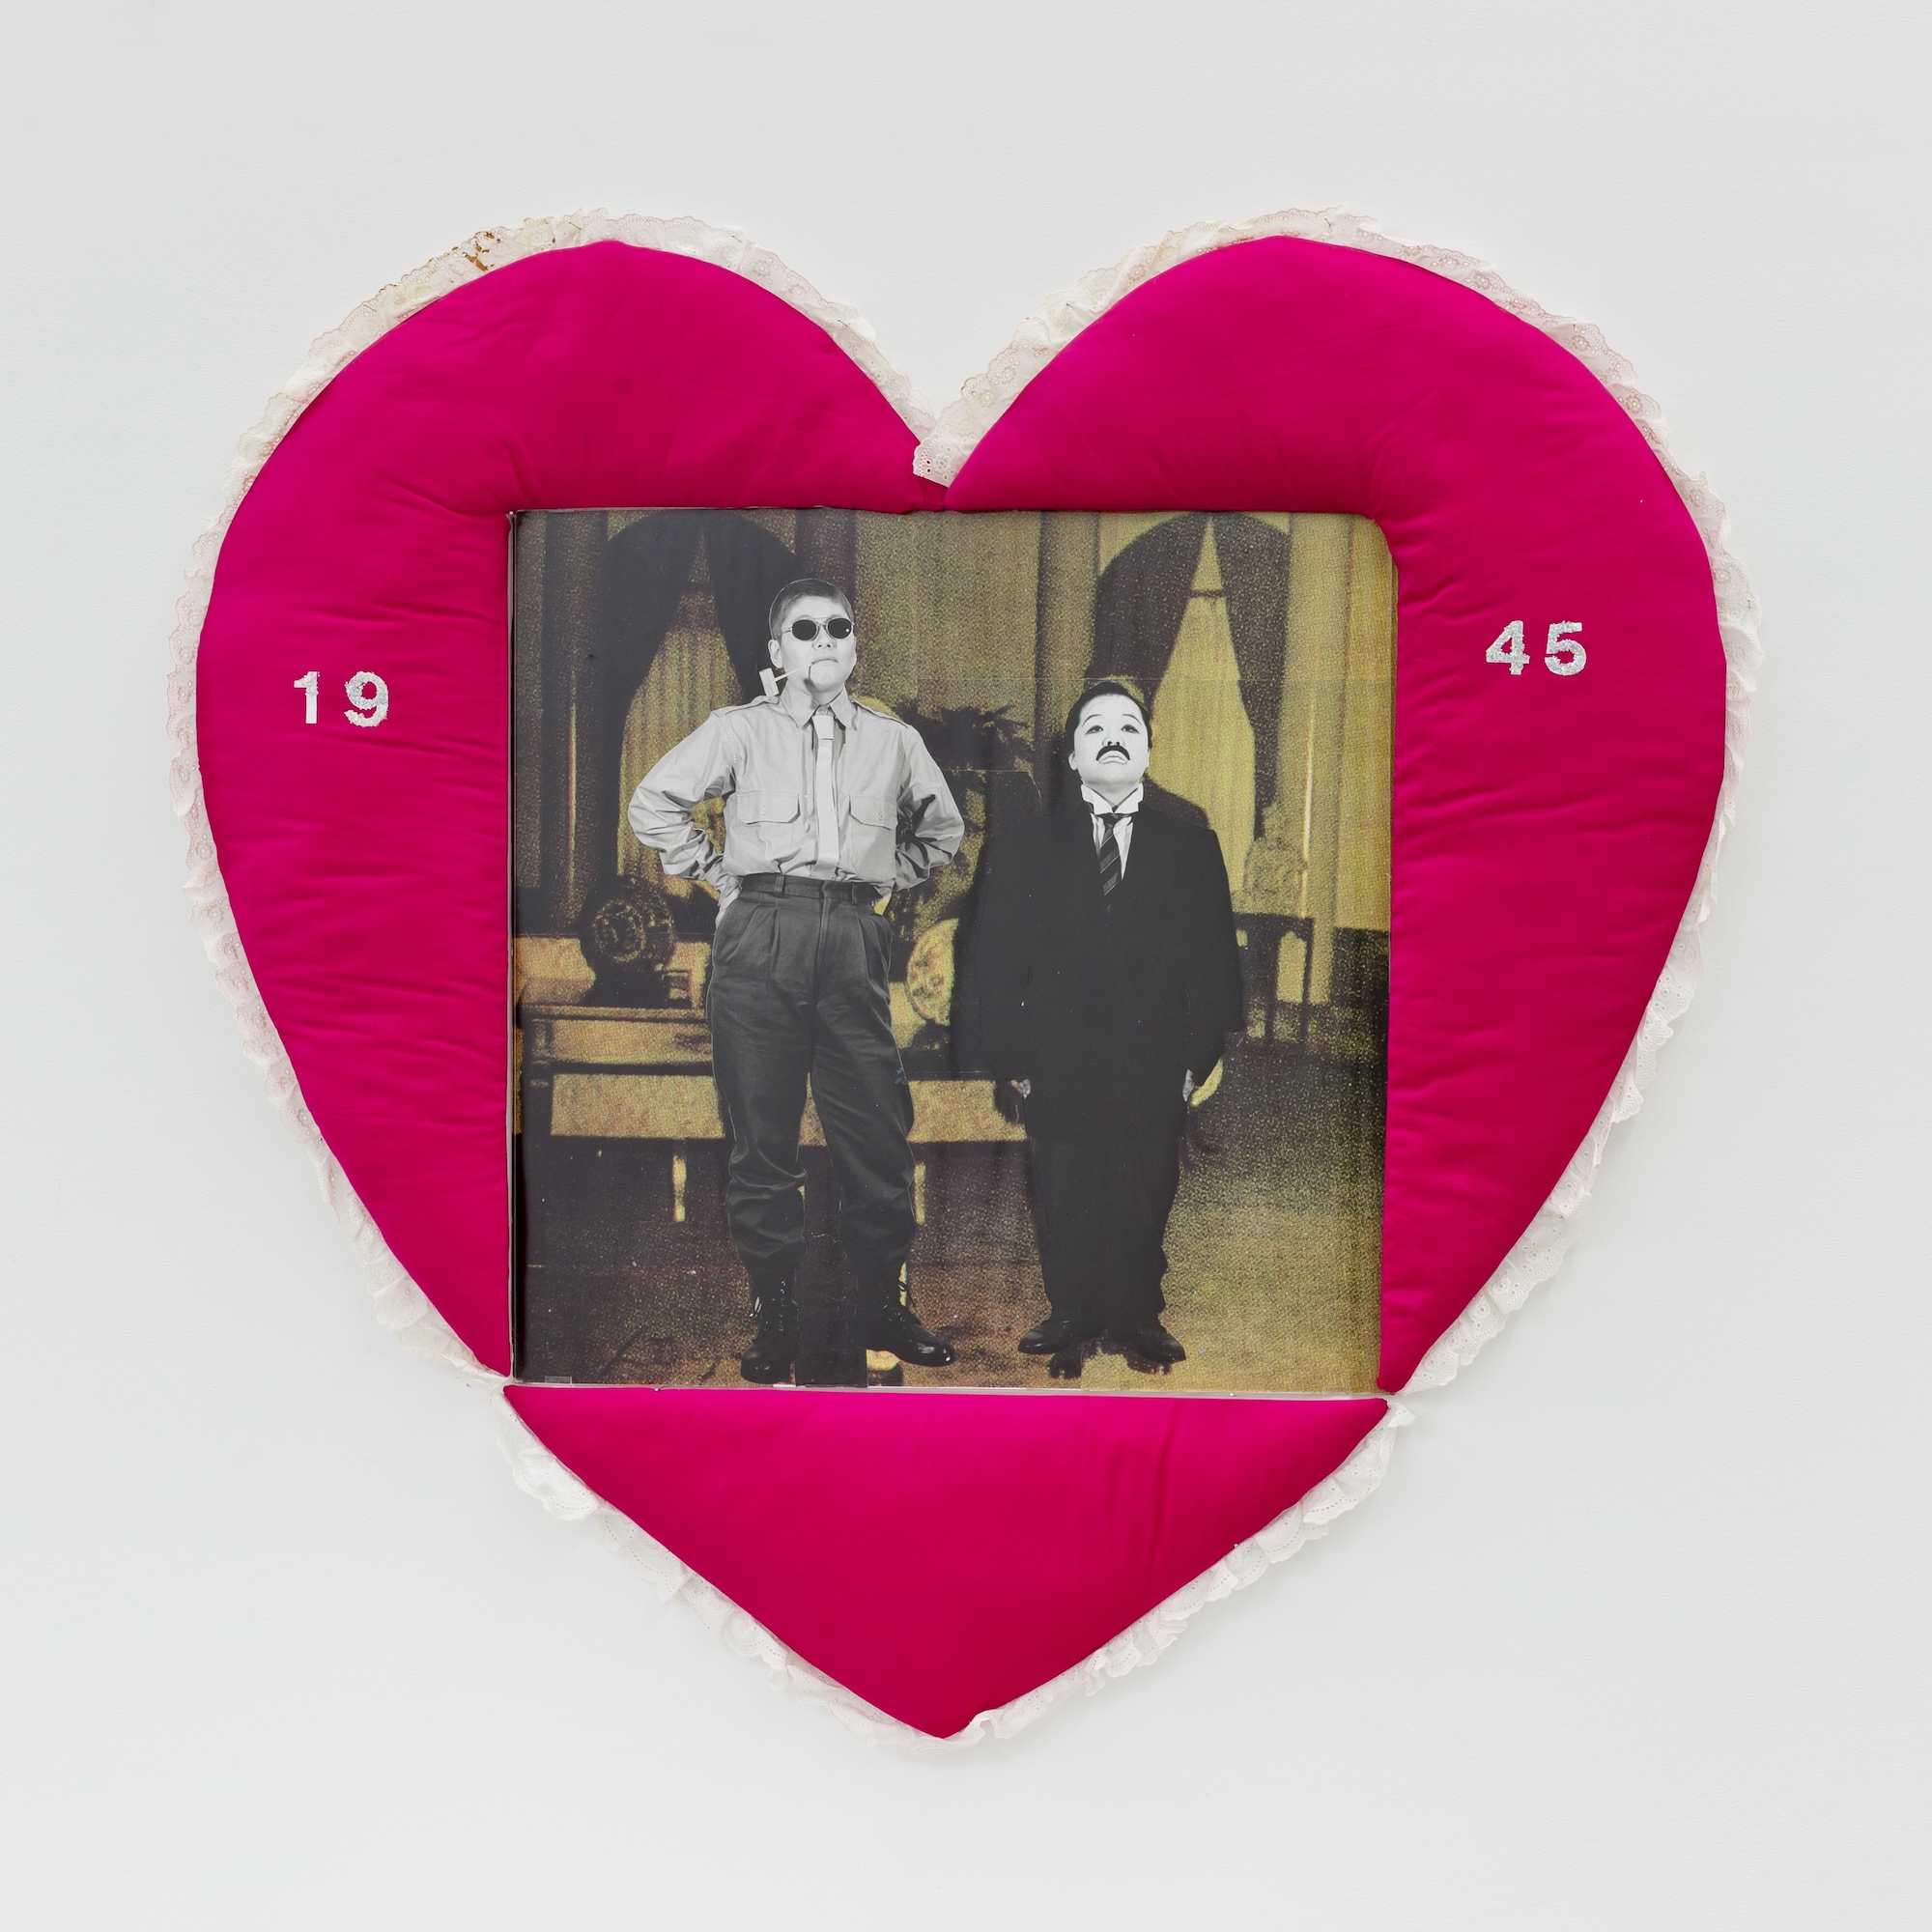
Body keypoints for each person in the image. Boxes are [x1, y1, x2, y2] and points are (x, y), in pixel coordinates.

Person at [628, 578, 965, 1384]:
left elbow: (942, 831)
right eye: (804, 630)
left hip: (852, 936)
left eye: (837, 629)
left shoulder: (893, 742)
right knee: (761, 1138)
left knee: (877, 1133)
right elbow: (653, 805)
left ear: (854, 647)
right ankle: (774, 1313)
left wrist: (878, 885)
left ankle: (882, 1303)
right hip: (759, 934)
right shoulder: (738, 731)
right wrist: (722, 877)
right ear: (777, 650)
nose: (823, 642)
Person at [968, 679, 1245, 1378]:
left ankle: (1138, 1314)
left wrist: (1197, 1056)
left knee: (1145, 1183)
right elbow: (997, 959)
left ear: (1148, 749)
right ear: (1070, 756)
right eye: (1094, 728)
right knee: (1065, 1185)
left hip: (1155, 1054)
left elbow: (1214, 962)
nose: (1113, 737)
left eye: (1128, 727)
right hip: (1056, 1054)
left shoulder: (1191, 846)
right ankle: (1072, 1310)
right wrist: (1011, 1057)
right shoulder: (1028, 847)